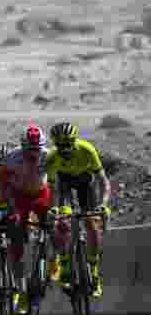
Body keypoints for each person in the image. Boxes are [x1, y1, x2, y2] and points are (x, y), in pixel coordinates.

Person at [46, 122, 112, 298]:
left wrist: (104, 204)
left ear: (74, 141)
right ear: (55, 144)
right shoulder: (52, 158)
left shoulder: (87, 150)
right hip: (64, 185)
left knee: (92, 224)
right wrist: (53, 208)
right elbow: (52, 189)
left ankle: (95, 274)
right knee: (64, 221)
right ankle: (65, 264)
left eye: (68, 144)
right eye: (60, 145)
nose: (65, 149)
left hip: (86, 185)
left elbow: (103, 181)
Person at [0, 125, 52, 315]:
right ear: (22, 147)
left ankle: (57, 264)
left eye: (37, 149)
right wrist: (6, 206)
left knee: (59, 223)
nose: (34, 153)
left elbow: (56, 180)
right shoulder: (13, 158)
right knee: (16, 238)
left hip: (41, 194)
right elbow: (3, 184)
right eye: (30, 150)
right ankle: (21, 292)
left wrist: (59, 205)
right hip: (19, 197)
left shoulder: (48, 156)